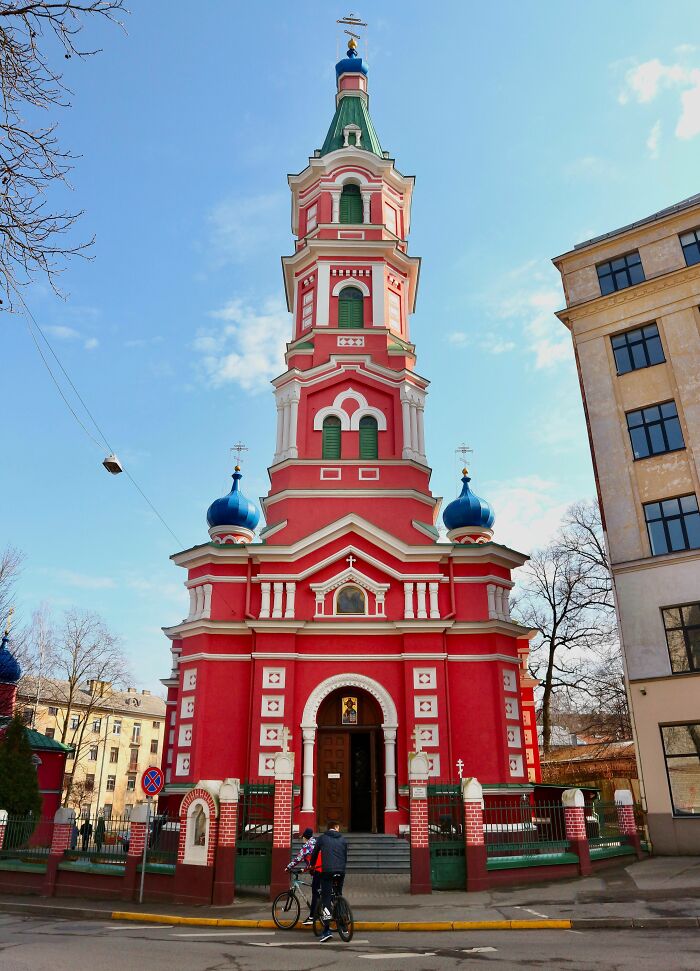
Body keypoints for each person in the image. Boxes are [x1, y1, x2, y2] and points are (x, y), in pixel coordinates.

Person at [309, 821, 348, 943]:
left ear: (328, 828)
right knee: (338, 894)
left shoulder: (322, 838)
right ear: (336, 827)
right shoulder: (342, 839)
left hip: (327, 871)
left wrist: (311, 866)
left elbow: (314, 853)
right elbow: (345, 855)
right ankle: (344, 925)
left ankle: (326, 930)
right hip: (341, 871)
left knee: (326, 899)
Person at [285, 827, 319, 926]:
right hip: (324, 869)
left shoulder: (306, 847)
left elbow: (297, 859)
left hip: (317, 871)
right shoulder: (316, 843)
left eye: (303, 837)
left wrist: (288, 867)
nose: (302, 839)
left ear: (305, 837)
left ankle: (313, 916)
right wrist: (304, 869)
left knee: (315, 894)